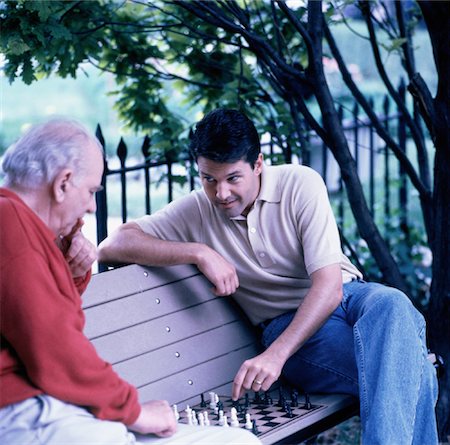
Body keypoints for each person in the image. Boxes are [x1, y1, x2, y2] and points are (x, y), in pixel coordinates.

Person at [99, 108, 439, 445]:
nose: (221, 194)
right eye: (208, 179)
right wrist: (198, 252)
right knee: (415, 372)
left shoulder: (299, 183)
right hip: (293, 329)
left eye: (233, 178)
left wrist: (275, 356)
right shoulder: (196, 211)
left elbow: (329, 287)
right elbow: (112, 245)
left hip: (350, 297)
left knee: (392, 303)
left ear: (258, 164)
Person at [0, 119, 261, 445]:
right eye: (92, 191)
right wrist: (136, 411)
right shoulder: (11, 224)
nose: (92, 206)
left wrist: (70, 267)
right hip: (21, 410)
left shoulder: (19, 225)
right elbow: (57, 350)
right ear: (64, 182)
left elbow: (44, 320)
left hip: (42, 405)